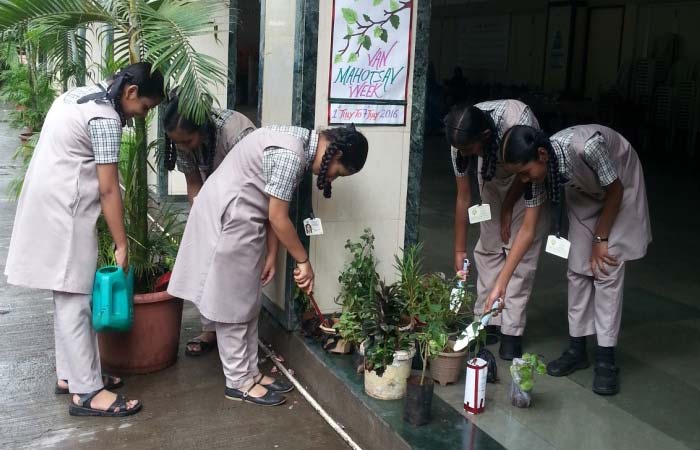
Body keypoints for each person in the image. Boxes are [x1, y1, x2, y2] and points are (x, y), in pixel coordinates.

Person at [167, 124, 368, 406]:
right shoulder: (292, 155)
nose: (331, 177)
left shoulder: (296, 142)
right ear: (335, 154)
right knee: (232, 304)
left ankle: (250, 373)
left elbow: (273, 207)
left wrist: (272, 255)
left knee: (247, 302)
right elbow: (278, 216)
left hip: (242, 218)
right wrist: (303, 260)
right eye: (337, 172)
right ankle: (238, 382)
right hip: (229, 219)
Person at [5, 62, 165, 416]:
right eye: (146, 107)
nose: (143, 115)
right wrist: (122, 244)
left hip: (50, 200)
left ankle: (71, 375)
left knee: (67, 296)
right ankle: (87, 391)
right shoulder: (106, 119)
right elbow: (109, 189)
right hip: (65, 210)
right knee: (76, 299)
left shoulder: (80, 94)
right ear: (131, 93)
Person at [488, 124, 651, 395]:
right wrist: (501, 284)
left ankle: (606, 358)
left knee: (605, 268)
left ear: (541, 154)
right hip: (584, 193)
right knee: (577, 270)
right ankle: (577, 349)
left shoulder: (588, 147)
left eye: (525, 173)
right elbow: (527, 231)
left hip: (620, 187)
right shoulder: (542, 173)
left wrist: (600, 239)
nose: (525, 180)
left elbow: (615, 191)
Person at [444, 101, 549, 360]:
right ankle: (487, 321)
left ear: (486, 137)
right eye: (462, 152)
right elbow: (463, 197)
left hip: (524, 178)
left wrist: (508, 207)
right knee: (489, 247)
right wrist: (459, 249)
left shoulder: (518, 120)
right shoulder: (460, 139)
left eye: (470, 151)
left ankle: (511, 329)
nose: (465, 155)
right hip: (492, 173)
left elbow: (527, 170)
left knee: (519, 253)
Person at [162, 95, 256, 356]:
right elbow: (194, 183)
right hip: (211, 200)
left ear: (202, 129)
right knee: (205, 263)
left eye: (187, 141)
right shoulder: (183, 140)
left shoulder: (236, 131)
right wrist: (202, 218)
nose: (183, 146)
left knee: (230, 272)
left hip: (243, 203)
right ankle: (210, 329)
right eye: (177, 142)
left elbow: (253, 179)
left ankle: (233, 337)